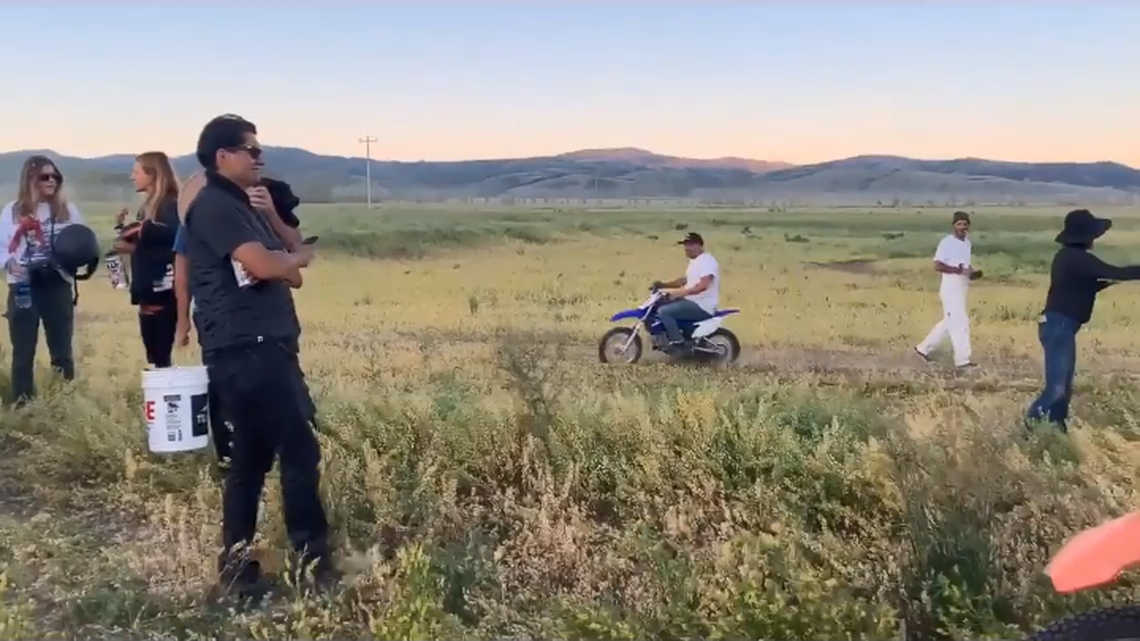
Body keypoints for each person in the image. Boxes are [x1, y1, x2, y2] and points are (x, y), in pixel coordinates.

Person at [182, 114, 331, 594]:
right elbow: (271, 265)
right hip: (250, 348)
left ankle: (237, 571)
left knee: (250, 458)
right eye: (251, 149)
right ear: (223, 156)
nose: (259, 156)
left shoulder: (242, 206)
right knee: (299, 452)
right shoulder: (214, 207)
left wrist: (280, 240)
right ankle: (314, 565)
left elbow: (290, 271)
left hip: (257, 346)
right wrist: (290, 260)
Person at [1026, 209, 1140, 431]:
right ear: (1086, 236)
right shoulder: (1077, 258)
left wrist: (1107, 281)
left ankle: (1056, 432)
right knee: (1057, 389)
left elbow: (1087, 284)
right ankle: (1029, 428)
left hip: (1058, 326)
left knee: (1063, 389)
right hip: (1059, 326)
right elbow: (1114, 272)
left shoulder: (1067, 257)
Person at [0, 156, 88, 404]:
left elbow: (81, 242)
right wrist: (10, 262)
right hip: (23, 285)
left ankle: (64, 403)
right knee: (23, 352)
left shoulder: (67, 210)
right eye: (44, 177)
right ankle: (23, 406)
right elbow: (1, 246)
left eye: (55, 177)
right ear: (30, 179)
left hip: (57, 283)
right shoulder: (12, 210)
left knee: (62, 352)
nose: (51, 181)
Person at [114, 152, 181, 368]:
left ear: (152, 174)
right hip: (152, 292)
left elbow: (176, 249)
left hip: (162, 293)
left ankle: (165, 397)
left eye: (136, 172)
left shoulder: (168, 206)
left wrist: (134, 248)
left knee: (160, 358)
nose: (132, 177)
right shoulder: (151, 207)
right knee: (156, 358)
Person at [914, 211, 981, 369]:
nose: (962, 227)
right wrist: (957, 271)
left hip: (962, 288)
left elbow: (965, 265)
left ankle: (923, 349)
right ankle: (962, 361)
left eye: (965, 224)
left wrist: (972, 273)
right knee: (960, 323)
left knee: (949, 322)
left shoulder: (967, 243)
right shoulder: (947, 243)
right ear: (953, 226)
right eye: (959, 224)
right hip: (950, 289)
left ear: (969, 226)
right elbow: (938, 265)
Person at [651, 232, 720, 349]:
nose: (687, 248)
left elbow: (703, 285)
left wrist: (680, 293)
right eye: (685, 245)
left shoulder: (707, 261)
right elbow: (685, 280)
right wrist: (663, 285)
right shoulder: (696, 261)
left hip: (702, 306)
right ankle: (665, 337)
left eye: (690, 245)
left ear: (699, 245)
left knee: (664, 311)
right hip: (691, 302)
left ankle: (678, 343)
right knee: (659, 304)